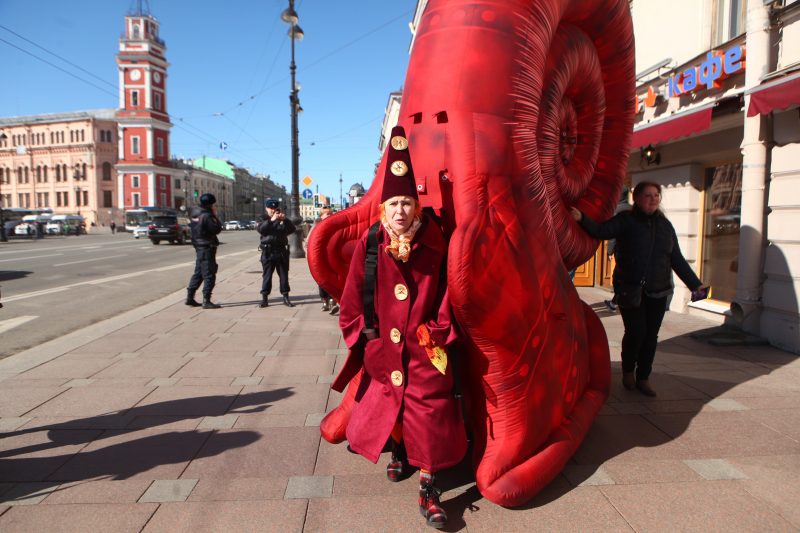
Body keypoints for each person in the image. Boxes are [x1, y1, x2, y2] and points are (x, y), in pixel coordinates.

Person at [332, 126, 466, 529]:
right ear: (383, 208)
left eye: (407, 202)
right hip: (383, 346)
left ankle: (429, 485)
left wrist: (439, 330)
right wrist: (363, 335)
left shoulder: (436, 241)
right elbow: (353, 296)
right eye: (393, 203)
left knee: (428, 409)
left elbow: (447, 289)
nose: (400, 211)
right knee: (388, 405)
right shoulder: (370, 243)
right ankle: (398, 450)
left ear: (416, 206)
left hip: (426, 344)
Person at [570, 181, 708, 397]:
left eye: (656, 195)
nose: (653, 199)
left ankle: (643, 377)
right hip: (630, 289)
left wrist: (695, 284)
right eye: (648, 195)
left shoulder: (665, 226)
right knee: (636, 332)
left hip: (659, 290)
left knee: (651, 336)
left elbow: (676, 259)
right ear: (637, 198)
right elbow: (601, 231)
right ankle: (627, 371)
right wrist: (581, 218)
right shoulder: (626, 220)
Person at [186, 193, 223, 309]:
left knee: (199, 272)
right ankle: (206, 300)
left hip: (199, 246)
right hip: (207, 246)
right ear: (210, 204)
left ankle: (190, 297)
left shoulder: (194, 213)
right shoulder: (207, 215)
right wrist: (215, 216)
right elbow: (216, 229)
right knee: (209, 274)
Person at [257, 200, 296, 308]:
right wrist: (271, 220)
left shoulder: (281, 219)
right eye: (271, 208)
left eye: (275, 208)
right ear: (266, 208)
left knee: (284, 276)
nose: (273, 210)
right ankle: (264, 298)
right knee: (267, 276)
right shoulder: (263, 219)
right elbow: (261, 230)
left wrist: (285, 220)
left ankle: (285, 297)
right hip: (268, 252)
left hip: (281, 251)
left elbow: (292, 229)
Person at [310, 206, 340, 315]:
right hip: (320, 258)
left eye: (331, 213)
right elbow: (309, 242)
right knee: (322, 280)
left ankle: (333, 301)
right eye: (327, 214)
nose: (330, 215)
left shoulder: (335, 226)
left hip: (333, 257)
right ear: (321, 216)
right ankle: (325, 301)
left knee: (334, 279)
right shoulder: (317, 226)